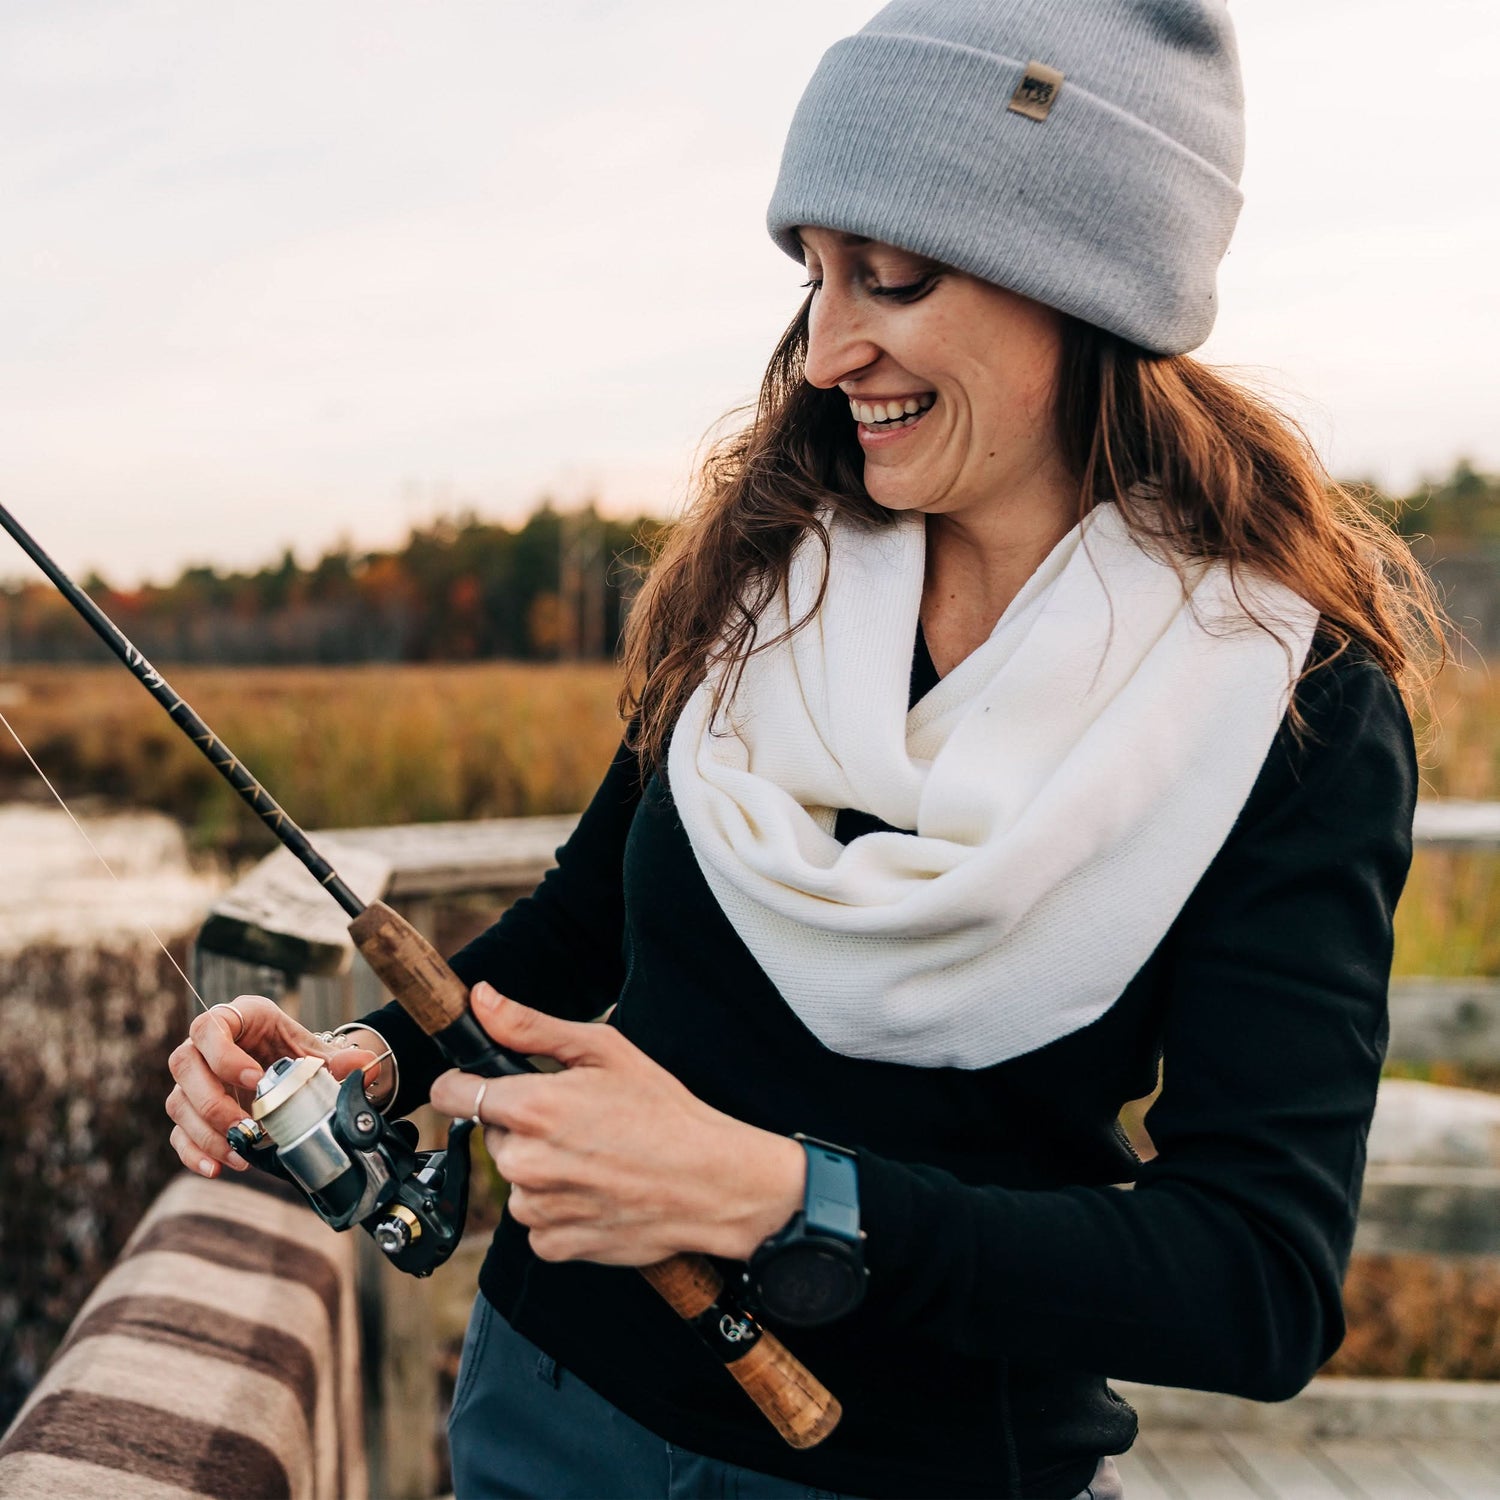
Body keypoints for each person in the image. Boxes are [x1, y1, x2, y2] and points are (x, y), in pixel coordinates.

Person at [164, 4, 1444, 1496]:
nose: (829, 350)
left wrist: (782, 1193)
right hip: (538, 1407)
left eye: (892, 279)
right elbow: (581, 932)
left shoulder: (1291, 702)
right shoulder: (767, 572)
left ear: (1089, 282)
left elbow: (1253, 1281)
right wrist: (367, 1061)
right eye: (815, 277)